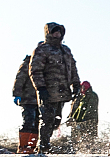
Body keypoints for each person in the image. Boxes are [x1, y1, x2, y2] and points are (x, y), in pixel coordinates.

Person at [30, 22, 80, 154]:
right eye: (55, 32)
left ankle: (46, 143)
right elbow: (35, 70)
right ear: (49, 33)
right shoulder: (42, 50)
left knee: (56, 120)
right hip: (47, 91)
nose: (57, 34)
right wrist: (40, 88)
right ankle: (43, 146)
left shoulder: (66, 50)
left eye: (59, 32)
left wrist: (76, 84)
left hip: (62, 92)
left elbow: (73, 68)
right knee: (47, 119)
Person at [13, 55, 39, 153]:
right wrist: (17, 94)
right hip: (27, 99)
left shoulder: (47, 65)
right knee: (28, 121)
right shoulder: (28, 64)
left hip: (40, 100)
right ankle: (23, 147)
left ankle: (31, 148)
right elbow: (19, 79)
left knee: (37, 123)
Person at [67, 81, 98, 152]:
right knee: (79, 137)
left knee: (90, 138)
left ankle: (90, 151)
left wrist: (85, 118)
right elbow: (79, 110)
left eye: (82, 87)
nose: (81, 89)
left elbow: (91, 108)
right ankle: (79, 150)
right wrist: (73, 117)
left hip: (90, 121)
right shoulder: (83, 97)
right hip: (82, 122)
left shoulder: (92, 96)